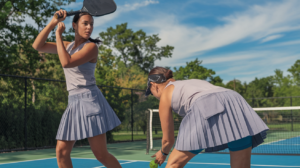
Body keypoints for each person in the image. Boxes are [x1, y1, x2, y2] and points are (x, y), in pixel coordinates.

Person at [32, 10, 122, 168]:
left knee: (101, 154)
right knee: (61, 152)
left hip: (89, 100)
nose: (89, 27)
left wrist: (58, 36)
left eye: (91, 24)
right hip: (73, 102)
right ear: (74, 25)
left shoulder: (91, 47)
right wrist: (53, 22)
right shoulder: (68, 45)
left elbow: (66, 62)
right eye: (85, 23)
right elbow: (37, 45)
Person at [146, 67, 269, 168]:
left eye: (151, 92)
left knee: (173, 164)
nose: (154, 95)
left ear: (154, 85)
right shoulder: (191, 82)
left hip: (205, 103)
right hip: (235, 100)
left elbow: (168, 140)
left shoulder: (166, 94)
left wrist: (163, 153)